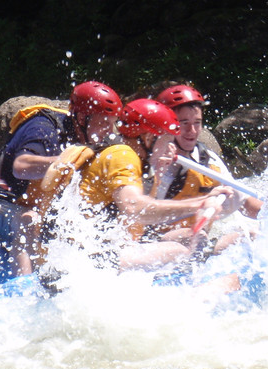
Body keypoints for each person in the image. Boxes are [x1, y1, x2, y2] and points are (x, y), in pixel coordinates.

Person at [43, 98, 230, 273]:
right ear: (149, 138)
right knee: (176, 250)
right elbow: (134, 207)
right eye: (167, 139)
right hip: (75, 265)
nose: (172, 147)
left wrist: (158, 174)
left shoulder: (134, 159)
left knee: (187, 235)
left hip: (88, 253)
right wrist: (200, 203)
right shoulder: (123, 155)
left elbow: (138, 220)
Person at [0, 80, 122, 280]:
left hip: (27, 209)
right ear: (83, 117)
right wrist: (68, 160)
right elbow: (21, 167)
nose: (109, 131)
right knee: (29, 220)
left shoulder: (85, 138)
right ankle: (24, 288)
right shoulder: (43, 127)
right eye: (104, 122)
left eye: (112, 124)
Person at [153, 82, 263, 225]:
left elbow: (245, 203)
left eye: (197, 123)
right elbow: (144, 212)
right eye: (184, 123)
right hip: (161, 241)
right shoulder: (152, 163)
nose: (192, 130)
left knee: (253, 234)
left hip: (196, 238)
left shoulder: (208, 159)